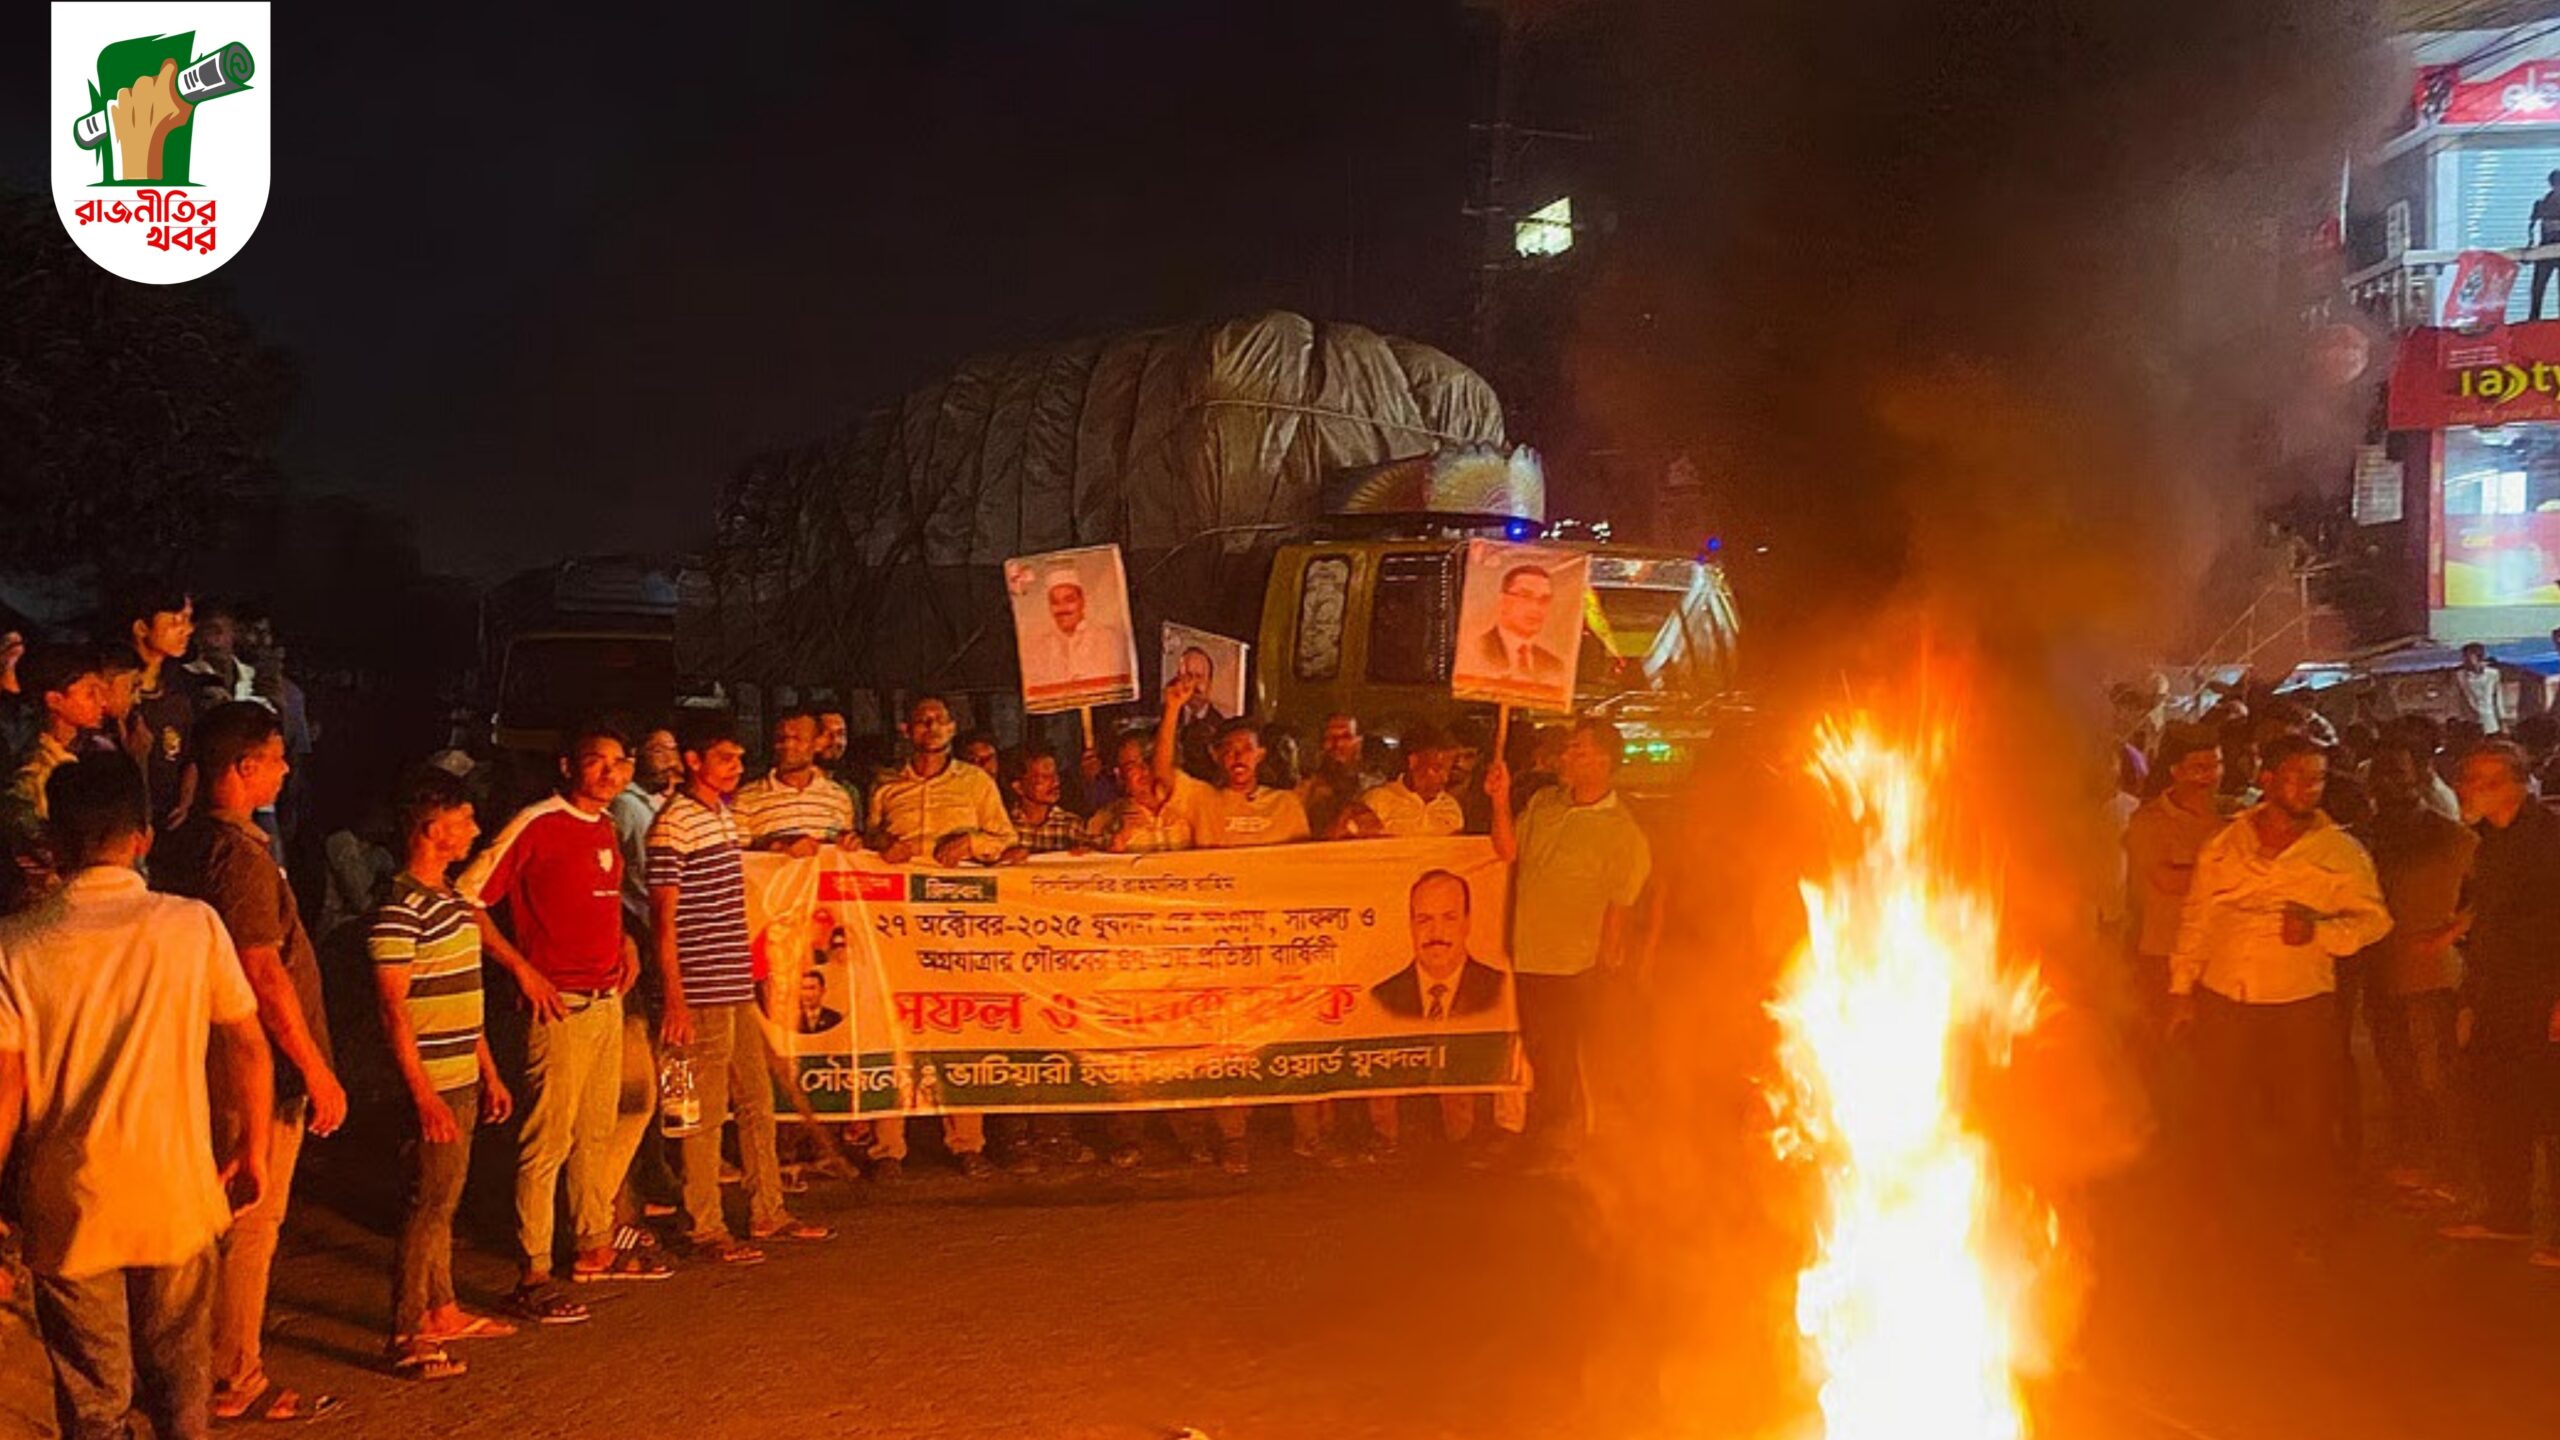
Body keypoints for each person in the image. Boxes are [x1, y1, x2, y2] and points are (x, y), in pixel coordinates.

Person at [0, 760, 275, 1440]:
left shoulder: (15, 946)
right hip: (177, 1193)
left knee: (97, 1401)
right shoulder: (192, 926)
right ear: (144, 838)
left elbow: (6, 1088)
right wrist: (254, 1148)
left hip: (72, 1203)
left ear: (55, 843)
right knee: (181, 1378)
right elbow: (247, 1044)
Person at [150, 702, 346, 1422]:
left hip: (205, 1059)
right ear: (242, 768)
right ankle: (234, 1373)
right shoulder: (233, 856)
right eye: (275, 756)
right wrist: (315, 1068)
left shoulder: (187, 841)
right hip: (248, 1068)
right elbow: (262, 970)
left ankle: (193, 1364)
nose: (286, 767)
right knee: (249, 1224)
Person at [458, 722, 659, 1317]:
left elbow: (598, 898)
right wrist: (522, 970)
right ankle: (533, 1270)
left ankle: (593, 1244)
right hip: (558, 1005)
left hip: (604, 1000)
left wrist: (625, 940)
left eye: (619, 762)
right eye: (595, 761)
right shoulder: (536, 821)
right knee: (546, 1140)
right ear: (568, 766)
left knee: (594, 1133)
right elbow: (469, 900)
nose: (609, 772)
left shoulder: (604, 826)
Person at [2166, 735, 2391, 1258]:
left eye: (2316, 778)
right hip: (2226, 998)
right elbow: (2198, 917)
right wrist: (2181, 991)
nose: (2308, 788)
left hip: (2299, 1004)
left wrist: (2318, 932)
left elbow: (2375, 921)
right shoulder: (2226, 844)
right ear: (2266, 779)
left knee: (2307, 1118)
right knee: (2219, 1114)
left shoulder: (2339, 851)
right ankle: (2220, 1218)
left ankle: (2312, 1223)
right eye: (2296, 776)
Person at [649, 711, 832, 1252]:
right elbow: (664, 920)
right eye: (725, 758)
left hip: (731, 982)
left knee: (756, 1101)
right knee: (703, 1112)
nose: (736, 768)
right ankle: (705, 1222)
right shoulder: (674, 825)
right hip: (699, 990)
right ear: (693, 761)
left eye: (739, 758)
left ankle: (766, 1209)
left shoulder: (723, 817)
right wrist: (676, 1000)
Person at [369, 766, 517, 1379]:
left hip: (458, 1071)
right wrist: (422, 1092)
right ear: (433, 831)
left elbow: (464, 995)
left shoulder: (453, 902)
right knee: (424, 1205)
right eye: (463, 822)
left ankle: (442, 1308)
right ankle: (406, 1331)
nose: (474, 830)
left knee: (443, 1202)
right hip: (430, 1078)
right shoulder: (401, 910)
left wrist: (488, 1070)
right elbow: (392, 1009)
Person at [1154, 679, 1315, 1171]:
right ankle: (1234, 1135)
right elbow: (1162, 773)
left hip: (1276, 945)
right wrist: (1172, 708)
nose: (1239, 757)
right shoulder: (1203, 799)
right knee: (1227, 1040)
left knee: (1293, 1031)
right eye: (1230, 749)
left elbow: (1314, 875)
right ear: (1219, 757)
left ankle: (1310, 1130)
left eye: (1248, 748)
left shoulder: (1287, 806)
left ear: (1262, 755)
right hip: (1220, 946)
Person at [862, 696, 1017, 1176]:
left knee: (960, 1024)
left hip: (959, 925)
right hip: (898, 928)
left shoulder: (976, 783)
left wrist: (971, 843)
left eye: (940, 720)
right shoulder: (886, 788)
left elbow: (1007, 842)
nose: (932, 727)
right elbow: (867, 840)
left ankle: (967, 1141)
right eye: (923, 720)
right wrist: (883, 845)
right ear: (908, 729)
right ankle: (888, 1148)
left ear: (953, 728)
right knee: (890, 1028)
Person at [1495, 718, 1648, 1161]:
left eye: (1576, 749)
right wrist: (1500, 799)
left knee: (1565, 1056)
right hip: (1527, 954)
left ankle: (1565, 1141)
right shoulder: (1545, 803)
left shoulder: (1622, 831)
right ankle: (1546, 1134)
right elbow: (1507, 850)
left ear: (1602, 760)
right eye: (1567, 749)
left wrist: (1607, 962)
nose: (1565, 756)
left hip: (1575, 964)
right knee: (1539, 1051)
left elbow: (1622, 904)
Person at [2442, 741, 2560, 1261]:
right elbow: (2496, 913)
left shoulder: (2548, 838)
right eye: (2468, 779)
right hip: (2497, 994)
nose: (2468, 788)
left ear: (2513, 783)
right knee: (2498, 1107)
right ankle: (2506, 1216)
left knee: (2550, 1116)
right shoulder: (2491, 840)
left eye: (2481, 779)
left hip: (2541, 996)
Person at [2357, 742, 2476, 1203]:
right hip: (2381, 974)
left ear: (2420, 775)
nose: (2390, 784)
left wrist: (2453, 932)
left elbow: (2492, 896)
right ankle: (2419, 1159)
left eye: (2399, 774)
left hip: (2431, 978)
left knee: (2436, 1078)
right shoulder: (2365, 838)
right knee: (2400, 1075)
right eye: (2382, 775)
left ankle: (2451, 1169)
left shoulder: (2452, 837)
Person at [2122, 725, 2229, 1046]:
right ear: (2176, 771)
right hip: (2164, 955)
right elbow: (2166, 880)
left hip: (2223, 957)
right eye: (2199, 768)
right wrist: (2231, 872)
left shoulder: (2233, 818)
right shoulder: (2149, 822)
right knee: (2169, 1049)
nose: (2210, 776)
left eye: (2216, 765)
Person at [1371, 869, 1508, 1019]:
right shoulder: (1382, 998)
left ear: (1467, 923)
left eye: (1449, 918)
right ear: (1411, 925)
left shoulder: (1501, 990)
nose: (1436, 933)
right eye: (1424, 920)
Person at [118, 585, 197, 833]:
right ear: (141, 627)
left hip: (170, 823)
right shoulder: (116, 692)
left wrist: (185, 801)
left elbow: (190, 755)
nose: (188, 629)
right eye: (176, 621)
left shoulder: (180, 690)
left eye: (188, 619)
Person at [734, 707, 862, 853]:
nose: (788, 745)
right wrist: (776, 845)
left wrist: (848, 842)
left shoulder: (839, 797)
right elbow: (739, 859)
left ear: (817, 744)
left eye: (797, 739)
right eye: (781, 738)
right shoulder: (745, 798)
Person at [7, 644, 109, 823]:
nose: (103, 702)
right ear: (55, 700)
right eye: (91, 694)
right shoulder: (34, 774)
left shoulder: (96, 748)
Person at [1020, 565, 1132, 701]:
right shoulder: (1038, 649)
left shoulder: (1108, 639)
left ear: (1082, 602)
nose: (1062, 609)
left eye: (1069, 600)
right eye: (1055, 602)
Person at [1336, 723, 1466, 839]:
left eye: (1448, 770)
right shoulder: (1377, 801)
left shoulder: (1451, 808)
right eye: (1436, 770)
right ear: (1413, 761)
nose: (1445, 778)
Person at [1463, 564, 1568, 686]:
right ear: (1503, 601)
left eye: (1543, 600)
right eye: (1525, 596)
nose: (1535, 608)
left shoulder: (1554, 666)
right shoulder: (1474, 652)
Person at [1087, 735, 1195, 854]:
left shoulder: (1191, 809)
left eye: (1150, 761)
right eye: (1132, 766)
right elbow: (1092, 865)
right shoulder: (1103, 821)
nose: (1144, 770)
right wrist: (1118, 842)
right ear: (1120, 775)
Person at [1296, 712, 1375, 838]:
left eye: (1346, 736)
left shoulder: (1376, 787)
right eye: (1330, 737)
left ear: (1358, 742)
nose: (1337, 744)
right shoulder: (1303, 794)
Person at [1005, 744, 1085, 854]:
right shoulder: (1005, 826)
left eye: (1055, 775)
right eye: (1045, 777)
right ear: (1018, 787)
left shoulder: (1071, 826)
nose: (1055, 783)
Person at [180, 602, 256, 712]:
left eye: (224, 630)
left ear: (235, 633)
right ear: (196, 635)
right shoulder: (180, 679)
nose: (218, 639)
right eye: (211, 631)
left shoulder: (256, 679)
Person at [2454, 643, 2506, 737]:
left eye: (2468, 657)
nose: (2465, 660)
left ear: (2478, 657)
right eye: (2464, 657)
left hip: (2491, 721)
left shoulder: (2493, 674)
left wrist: (2502, 720)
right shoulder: (2460, 675)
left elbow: (2498, 698)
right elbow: (2457, 699)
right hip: (2471, 722)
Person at [2530, 169, 2560, 320]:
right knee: (2537, 289)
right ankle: (2533, 321)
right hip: (2545, 251)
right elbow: (2532, 227)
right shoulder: (2542, 204)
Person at [794, 967, 845, 1035]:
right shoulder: (794, 1020)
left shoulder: (834, 1019)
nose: (808, 994)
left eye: (812, 988)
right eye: (804, 988)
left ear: (822, 991)